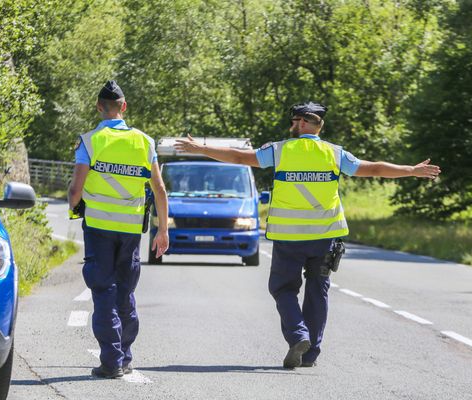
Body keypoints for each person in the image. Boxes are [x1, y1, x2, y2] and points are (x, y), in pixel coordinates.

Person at [174, 101, 441, 369]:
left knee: (282, 288)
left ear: (301, 123)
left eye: (294, 122)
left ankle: (298, 335)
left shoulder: (279, 150)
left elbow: (241, 157)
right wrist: (411, 170)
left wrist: (201, 149)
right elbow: (373, 168)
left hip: (289, 238)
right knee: (317, 291)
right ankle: (310, 353)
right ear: (320, 125)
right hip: (325, 237)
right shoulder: (335, 154)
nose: (292, 126)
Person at [68, 80, 169, 378]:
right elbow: (159, 189)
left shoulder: (89, 141)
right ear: (124, 107)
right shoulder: (144, 142)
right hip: (130, 231)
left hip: (98, 228)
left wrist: (72, 206)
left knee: (103, 290)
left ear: (99, 107)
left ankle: (111, 361)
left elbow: (76, 188)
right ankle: (125, 356)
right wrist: (163, 229)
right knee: (125, 292)